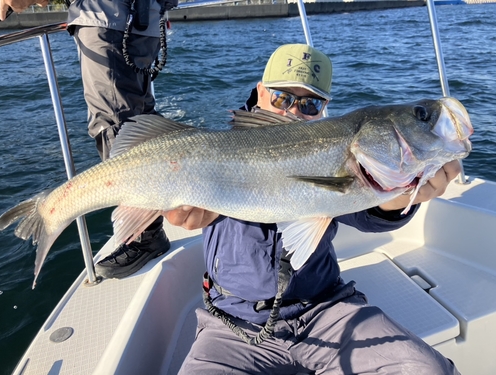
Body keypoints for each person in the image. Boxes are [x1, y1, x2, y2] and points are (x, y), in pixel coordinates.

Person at [164, 44, 462, 374]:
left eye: (309, 104)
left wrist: (403, 196)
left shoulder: (335, 152)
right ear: (260, 93)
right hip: (234, 325)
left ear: (323, 109)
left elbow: (366, 212)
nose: (293, 112)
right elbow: (181, 210)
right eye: (282, 98)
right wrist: (177, 209)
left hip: (325, 310)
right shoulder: (217, 147)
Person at [0, 0, 177, 279]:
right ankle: (150, 221)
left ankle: (146, 236)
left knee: (117, 127)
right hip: (144, 19)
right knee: (140, 122)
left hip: (107, 18)